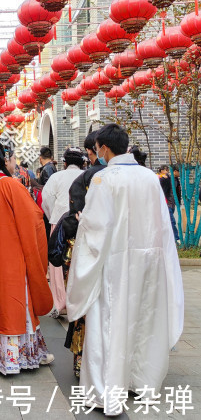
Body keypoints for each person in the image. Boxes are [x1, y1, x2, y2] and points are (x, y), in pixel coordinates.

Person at [67, 124, 184, 415]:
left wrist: (81, 270)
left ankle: (107, 389)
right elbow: (162, 223)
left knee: (111, 322)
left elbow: (95, 231)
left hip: (115, 264)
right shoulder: (149, 177)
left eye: (96, 149)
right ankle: (142, 380)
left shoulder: (104, 180)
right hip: (149, 261)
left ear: (103, 148)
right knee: (144, 318)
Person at [0, 140, 54, 375]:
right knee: (13, 299)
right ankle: (14, 355)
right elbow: (33, 218)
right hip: (10, 254)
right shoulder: (11, 186)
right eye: (13, 160)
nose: (15, 165)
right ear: (6, 160)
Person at [58, 131, 106, 378]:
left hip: (84, 251)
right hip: (116, 254)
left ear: (94, 150)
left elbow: (74, 216)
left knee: (85, 306)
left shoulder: (87, 178)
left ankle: (80, 359)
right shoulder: (133, 177)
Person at [41, 147, 86, 318]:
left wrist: (54, 215)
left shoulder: (56, 177)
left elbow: (46, 199)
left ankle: (60, 304)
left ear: (64, 163)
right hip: (82, 223)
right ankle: (79, 304)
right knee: (79, 262)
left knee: (58, 265)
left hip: (60, 222)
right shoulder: (87, 176)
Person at [158, 165, 180, 243]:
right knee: (172, 221)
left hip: (172, 204)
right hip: (166, 203)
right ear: (175, 171)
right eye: (179, 171)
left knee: (169, 222)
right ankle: (176, 239)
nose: (180, 173)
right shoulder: (166, 178)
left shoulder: (176, 179)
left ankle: (168, 239)